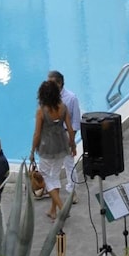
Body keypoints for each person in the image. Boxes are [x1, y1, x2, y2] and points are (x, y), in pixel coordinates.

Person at [30, 80, 76, 221]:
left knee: (46, 177)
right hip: (62, 145)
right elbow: (70, 129)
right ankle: (53, 210)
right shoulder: (63, 107)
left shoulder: (41, 111)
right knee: (54, 176)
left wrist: (32, 151)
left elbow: (37, 134)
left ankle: (62, 208)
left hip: (47, 148)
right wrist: (73, 145)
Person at [47, 70, 81, 203]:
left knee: (69, 164)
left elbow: (76, 121)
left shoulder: (71, 98)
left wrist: (71, 139)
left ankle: (73, 191)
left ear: (59, 83)